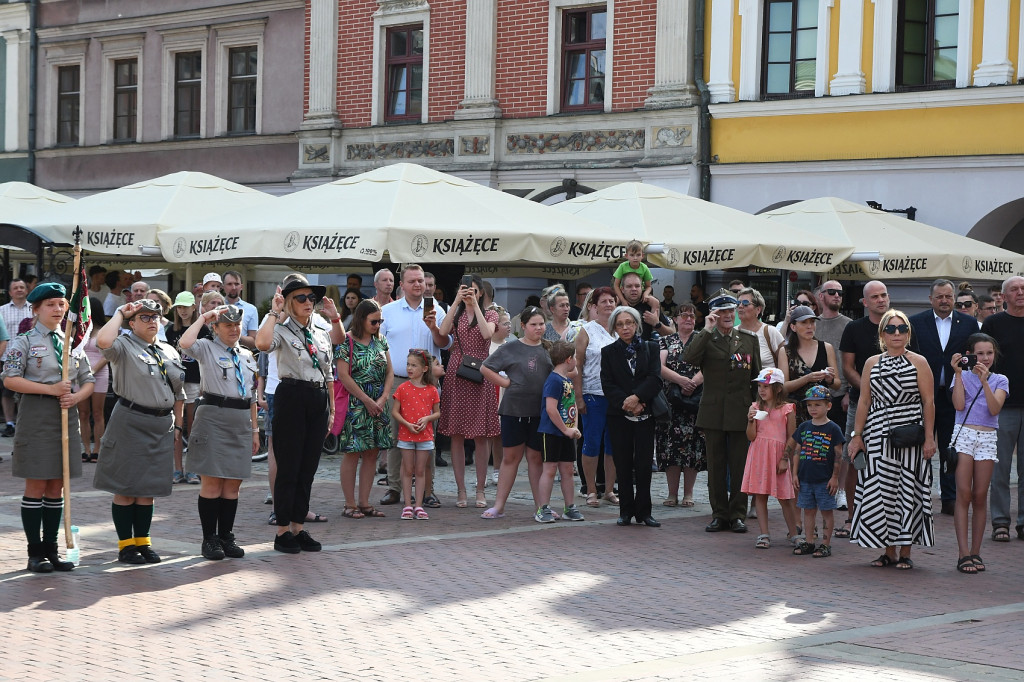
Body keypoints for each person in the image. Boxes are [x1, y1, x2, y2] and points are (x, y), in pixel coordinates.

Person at [4, 283, 95, 572]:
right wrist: (52, 389)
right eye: (51, 305)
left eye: (61, 304)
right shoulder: (25, 341)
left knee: (57, 485)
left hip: (66, 416)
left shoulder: (70, 341)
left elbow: (88, 379)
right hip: (36, 415)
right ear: (36, 309)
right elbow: (9, 379)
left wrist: (76, 396)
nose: (58, 310)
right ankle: (35, 552)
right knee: (37, 483)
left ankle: (53, 549)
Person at [94, 298, 186, 564]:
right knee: (125, 486)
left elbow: (179, 392)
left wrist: (178, 423)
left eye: (155, 317)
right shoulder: (123, 344)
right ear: (131, 323)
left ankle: (143, 541)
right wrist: (122, 313)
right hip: (130, 420)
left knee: (148, 487)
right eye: (144, 317)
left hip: (160, 423)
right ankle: (126, 545)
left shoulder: (169, 349)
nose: (151, 322)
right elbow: (103, 341)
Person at [255, 274, 339, 554]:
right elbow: (262, 344)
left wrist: (331, 407)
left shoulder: (319, 330)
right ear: (289, 302)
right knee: (289, 467)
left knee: (308, 468)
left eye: (311, 298)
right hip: (291, 395)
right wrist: (273, 312)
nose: (308, 302)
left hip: (318, 397)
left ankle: (298, 527)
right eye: (300, 298)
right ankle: (281, 532)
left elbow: (327, 370)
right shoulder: (280, 327)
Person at [848, 309, 936, 570]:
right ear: (882, 334)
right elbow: (864, 401)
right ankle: (888, 551)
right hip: (877, 432)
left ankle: (906, 551)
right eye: (891, 329)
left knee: (908, 488)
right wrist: (857, 436)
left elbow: (929, 401)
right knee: (881, 489)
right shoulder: (871, 362)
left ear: (908, 333)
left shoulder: (919, 361)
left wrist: (929, 438)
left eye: (902, 329)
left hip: (909, 432)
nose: (896, 333)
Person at [179, 305, 259, 561]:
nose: (234, 329)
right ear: (215, 328)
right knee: (212, 482)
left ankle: (226, 536)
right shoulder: (205, 347)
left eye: (237, 325)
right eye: (227, 325)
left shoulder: (247, 355)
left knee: (233, 484)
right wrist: (203, 317)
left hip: (240, 419)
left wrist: (255, 430)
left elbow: (253, 396)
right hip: (213, 414)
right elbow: (184, 342)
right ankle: (209, 538)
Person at [685, 290, 761, 533]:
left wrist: (756, 409)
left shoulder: (749, 339)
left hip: (741, 411)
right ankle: (719, 514)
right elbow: (689, 357)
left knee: (739, 465)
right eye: (722, 312)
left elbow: (756, 378)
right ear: (714, 315)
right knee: (716, 467)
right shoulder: (705, 338)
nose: (728, 315)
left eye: (731, 310)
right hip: (714, 411)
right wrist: (706, 329)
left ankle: (737, 514)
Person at [380, 264, 452, 508]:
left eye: (421, 280)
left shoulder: (437, 310)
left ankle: (428, 491)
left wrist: (433, 327)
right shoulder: (387, 311)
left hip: (427, 383)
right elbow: (378, 346)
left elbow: (445, 344)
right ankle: (393, 488)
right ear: (402, 285)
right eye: (412, 281)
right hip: (397, 380)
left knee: (426, 438)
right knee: (395, 435)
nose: (418, 285)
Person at [909, 278, 980, 515]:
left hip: (954, 394)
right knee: (921, 443)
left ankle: (950, 497)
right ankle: (919, 494)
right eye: (939, 296)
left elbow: (975, 357)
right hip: (922, 395)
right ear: (931, 299)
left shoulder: (969, 323)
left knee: (952, 446)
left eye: (948, 296)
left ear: (954, 298)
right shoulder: (915, 322)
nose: (944, 300)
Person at [480, 307, 552, 519]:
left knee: (536, 458)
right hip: (514, 410)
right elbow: (486, 368)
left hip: (539, 411)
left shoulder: (549, 348)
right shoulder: (510, 347)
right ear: (523, 326)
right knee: (510, 457)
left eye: (541, 324)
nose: (538, 328)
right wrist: (504, 382)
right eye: (533, 324)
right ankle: (499, 505)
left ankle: (541, 506)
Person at [438, 273, 499, 508]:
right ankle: (461, 490)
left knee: (482, 435)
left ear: (481, 292)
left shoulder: (491, 313)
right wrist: (456, 302)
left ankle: (481, 490)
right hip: (457, 372)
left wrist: (476, 307)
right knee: (456, 434)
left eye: (473, 290)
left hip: (480, 373)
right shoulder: (457, 313)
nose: (468, 293)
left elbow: (487, 334)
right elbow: (443, 332)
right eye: (465, 289)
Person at [837, 280, 890, 539]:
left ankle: (885, 518)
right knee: (854, 459)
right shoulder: (854, 328)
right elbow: (847, 368)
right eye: (875, 296)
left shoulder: (902, 326)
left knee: (891, 460)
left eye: (884, 295)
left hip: (895, 406)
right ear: (865, 302)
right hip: (861, 404)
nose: (881, 300)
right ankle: (851, 515)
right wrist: (870, 391)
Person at [949, 333, 1007, 573]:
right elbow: (959, 406)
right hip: (964, 435)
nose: (984, 358)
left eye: (989, 353)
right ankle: (963, 554)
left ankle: (976, 552)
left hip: (987, 436)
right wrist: (958, 374)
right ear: (970, 355)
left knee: (980, 495)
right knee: (963, 494)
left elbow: (994, 409)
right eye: (980, 353)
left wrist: (985, 381)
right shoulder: (960, 376)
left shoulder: (1000, 379)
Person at [601, 306, 663, 527]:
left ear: (637, 324)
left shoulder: (651, 348)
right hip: (619, 415)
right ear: (614, 328)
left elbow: (655, 379)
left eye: (629, 323)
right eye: (619, 324)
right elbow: (608, 384)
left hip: (645, 412)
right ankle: (625, 511)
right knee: (623, 462)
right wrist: (627, 404)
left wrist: (637, 399)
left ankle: (645, 512)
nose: (625, 327)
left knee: (644, 464)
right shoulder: (608, 352)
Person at [337, 299, 394, 519]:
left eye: (380, 321)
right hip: (356, 405)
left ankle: (364, 502)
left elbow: (390, 371)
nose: (378, 325)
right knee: (352, 452)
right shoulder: (346, 342)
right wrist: (366, 400)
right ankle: (349, 504)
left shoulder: (380, 341)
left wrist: (383, 397)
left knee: (372, 453)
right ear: (362, 318)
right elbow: (343, 376)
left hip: (378, 405)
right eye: (374, 321)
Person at [980, 275, 1024, 542]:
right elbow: (985, 361)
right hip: (1002, 405)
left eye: (1023, 289)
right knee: (1000, 468)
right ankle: (1000, 521)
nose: (1020, 293)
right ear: (1003, 296)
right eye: (1015, 290)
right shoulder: (993, 323)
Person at [571, 286, 619, 507]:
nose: (609, 305)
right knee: (591, 441)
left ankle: (609, 489)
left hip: (617, 396)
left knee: (613, 444)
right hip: (593, 393)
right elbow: (577, 365)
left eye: (612, 301)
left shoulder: (621, 328)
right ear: (594, 306)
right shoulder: (586, 330)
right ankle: (591, 489)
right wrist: (578, 396)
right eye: (604, 301)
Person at [741, 368, 798, 550]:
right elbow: (751, 437)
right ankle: (764, 533)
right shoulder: (756, 408)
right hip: (759, 455)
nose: (762, 390)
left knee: (784, 497)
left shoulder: (787, 410)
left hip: (778, 455)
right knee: (760, 495)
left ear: (778, 388)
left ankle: (795, 534)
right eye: (759, 386)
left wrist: (784, 458)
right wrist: (750, 420)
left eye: (766, 386)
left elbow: (792, 436)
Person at [656, 304, 706, 508]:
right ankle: (671, 493)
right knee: (671, 448)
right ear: (675, 319)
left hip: (695, 400)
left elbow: (710, 366)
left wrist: (693, 382)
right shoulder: (665, 341)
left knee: (693, 448)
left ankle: (689, 493)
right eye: (684, 315)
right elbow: (659, 367)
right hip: (672, 401)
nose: (688, 319)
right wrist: (681, 380)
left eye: (692, 316)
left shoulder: (702, 340)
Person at [789, 385, 845, 558]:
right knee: (808, 511)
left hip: (824, 479)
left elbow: (838, 455)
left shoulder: (833, 428)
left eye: (817, 405)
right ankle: (810, 542)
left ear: (828, 406)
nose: (813, 408)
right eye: (810, 405)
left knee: (826, 511)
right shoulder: (804, 427)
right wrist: (795, 474)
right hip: (805, 478)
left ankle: (826, 544)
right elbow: (797, 451)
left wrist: (835, 477)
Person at [533, 341, 584, 523]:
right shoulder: (554, 380)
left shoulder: (566, 379)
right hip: (551, 432)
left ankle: (569, 507)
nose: (577, 361)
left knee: (568, 470)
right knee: (550, 469)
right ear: (569, 359)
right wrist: (565, 429)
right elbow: (551, 409)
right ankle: (543, 508)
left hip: (566, 433)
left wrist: (573, 428)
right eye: (575, 357)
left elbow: (572, 407)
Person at [813, 281, 852, 508]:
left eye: (840, 292)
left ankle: (842, 492)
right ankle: (818, 489)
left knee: (841, 447)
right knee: (816, 446)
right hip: (814, 397)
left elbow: (851, 361)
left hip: (840, 395)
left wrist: (848, 392)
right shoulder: (811, 325)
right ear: (820, 296)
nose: (837, 295)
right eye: (832, 292)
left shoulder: (849, 325)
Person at [392, 349, 440, 520]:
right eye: (408, 364)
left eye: (414, 365)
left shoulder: (431, 390)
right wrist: (406, 424)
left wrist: (427, 418)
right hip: (406, 435)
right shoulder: (402, 388)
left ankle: (418, 505)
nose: (409, 368)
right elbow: (395, 412)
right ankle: (407, 505)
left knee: (420, 470)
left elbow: (437, 413)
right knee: (407, 469)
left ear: (425, 369)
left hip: (425, 436)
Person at [777, 305, 840, 423]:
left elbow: (837, 384)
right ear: (793, 327)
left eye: (812, 322)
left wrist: (829, 379)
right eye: (804, 323)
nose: (809, 326)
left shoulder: (826, 347)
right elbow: (783, 387)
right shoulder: (785, 351)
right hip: (795, 414)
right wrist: (807, 378)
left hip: (821, 415)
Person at [1, 278, 33, 436]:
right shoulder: (2, 310)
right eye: (16, 288)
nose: (19, 290)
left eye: (22, 287)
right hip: (7, 357)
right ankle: (9, 423)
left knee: (24, 392)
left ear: (27, 291)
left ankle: (23, 421)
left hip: (29, 357)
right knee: (6, 392)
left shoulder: (34, 309)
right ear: (10, 292)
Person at [78, 307, 109, 463]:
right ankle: (86, 449)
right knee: (83, 413)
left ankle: (97, 449)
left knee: (98, 413)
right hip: (80, 375)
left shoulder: (104, 330)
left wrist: (93, 370)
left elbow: (108, 354)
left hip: (100, 373)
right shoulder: (77, 329)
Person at [737, 287, 785, 370]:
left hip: (767, 382)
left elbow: (785, 364)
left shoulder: (770, 332)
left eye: (745, 303)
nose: (740, 306)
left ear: (758, 309)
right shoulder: (732, 332)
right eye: (738, 303)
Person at [620, 272, 673, 340]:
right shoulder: (616, 306)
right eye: (629, 286)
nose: (634, 289)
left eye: (637, 286)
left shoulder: (650, 305)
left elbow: (671, 334)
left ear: (642, 288)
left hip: (645, 348)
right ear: (622, 290)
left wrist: (657, 324)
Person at [222, 271, 260, 349]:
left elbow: (254, 341)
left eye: (236, 284)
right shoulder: (217, 306)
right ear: (223, 287)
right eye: (229, 284)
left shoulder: (251, 309)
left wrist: (235, 335)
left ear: (241, 287)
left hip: (240, 355)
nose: (233, 288)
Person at [612, 240, 653, 307]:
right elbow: (616, 285)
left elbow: (648, 286)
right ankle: (611, 317)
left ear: (642, 256)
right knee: (614, 302)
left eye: (638, 255)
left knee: (655, 302)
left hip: (640, 293)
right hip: (623, 293)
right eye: (632, 255)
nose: (635, 258)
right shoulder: (622, 266)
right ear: (626, 256)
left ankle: (654, 316)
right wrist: (623, 300)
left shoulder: (644, 268)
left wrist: (645, 294)